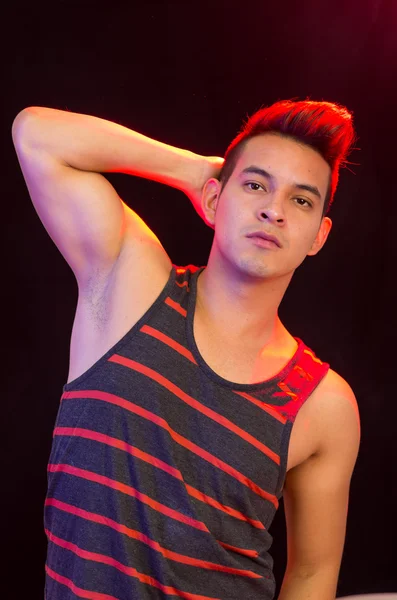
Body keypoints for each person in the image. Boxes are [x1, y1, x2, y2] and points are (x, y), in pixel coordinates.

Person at [12, 99, 361, 600]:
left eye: (302, 201)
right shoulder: (129, 283)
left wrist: (234, 181)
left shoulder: (325, 404)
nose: (273, 210)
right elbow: (36, 133)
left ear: (318, 236)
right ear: (216, 199)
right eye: (256, 184)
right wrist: (193, 170)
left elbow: (311, 573)